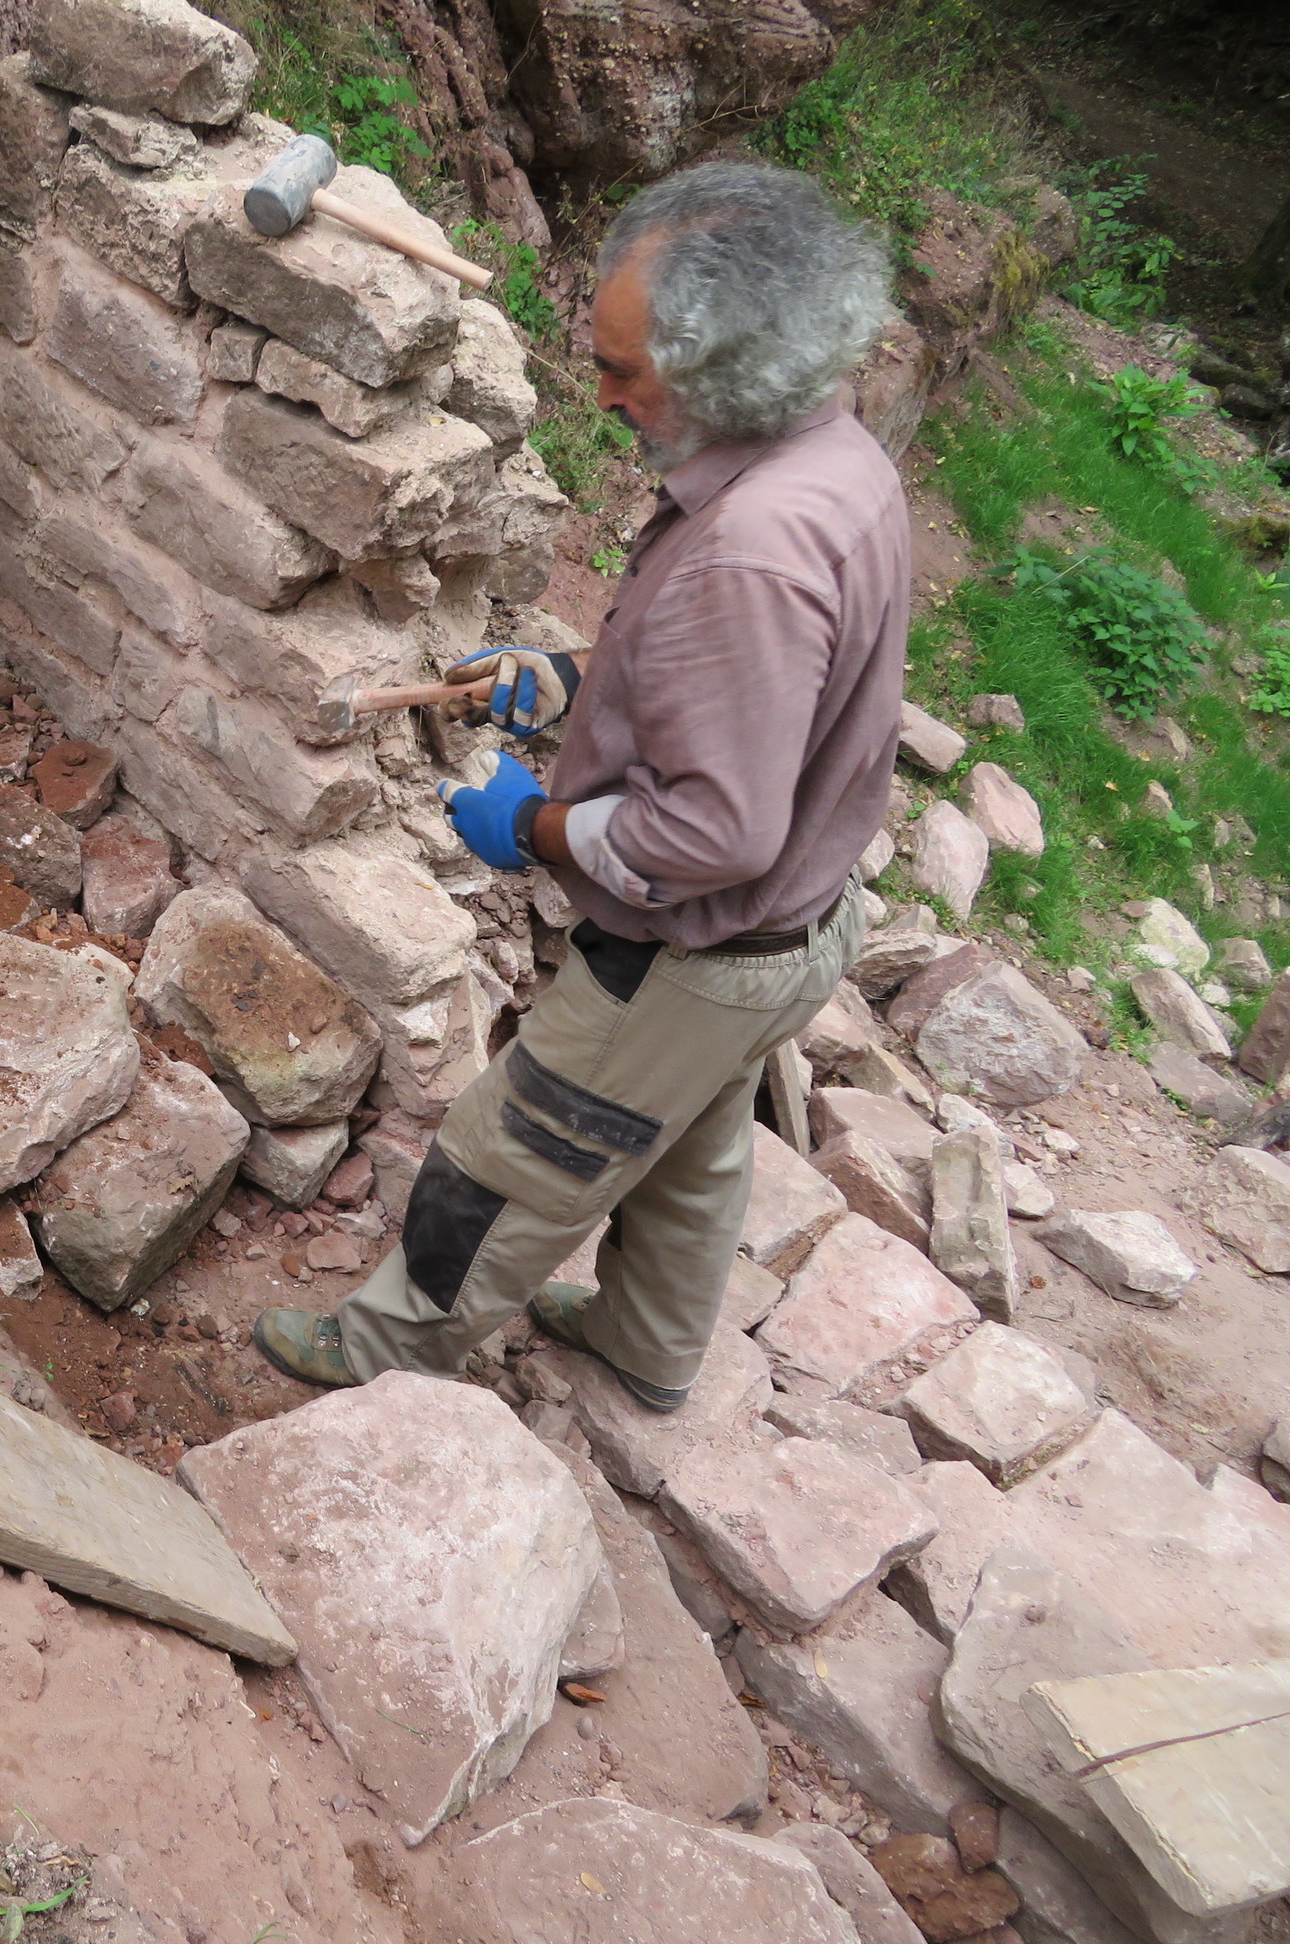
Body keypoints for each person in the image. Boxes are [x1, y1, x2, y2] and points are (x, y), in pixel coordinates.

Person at [254, 160, 907, 1412]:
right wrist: (568, 681)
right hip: (802, 931)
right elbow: (761, 693)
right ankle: (647, 1345)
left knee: (513, 1150)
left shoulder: (753, 553)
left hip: (693, 957)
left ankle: (382, 1353)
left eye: (624, 372)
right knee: (695, 1151)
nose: (601, 396)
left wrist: (537, 826)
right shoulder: (833, 453)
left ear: (729, 368)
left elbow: (714, 831)